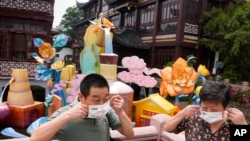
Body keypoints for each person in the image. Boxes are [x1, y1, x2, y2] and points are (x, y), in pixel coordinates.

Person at [30, 73, 134, 141]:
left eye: (105, 98)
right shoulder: (66, 113)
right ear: (81, 96)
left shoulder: (107, 111)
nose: (101, 103)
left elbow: (129, 133)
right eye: (96, 99)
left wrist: (120, 112)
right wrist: (67, 116)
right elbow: (35, 138)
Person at [164, 80, 248, 141]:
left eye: (214, 109)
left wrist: (243, 125)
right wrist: (182, 113)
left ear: (225, 107)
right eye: (204, 107)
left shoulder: (233, 123)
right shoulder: (193, 117)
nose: (208, 112)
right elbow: (166, 128)